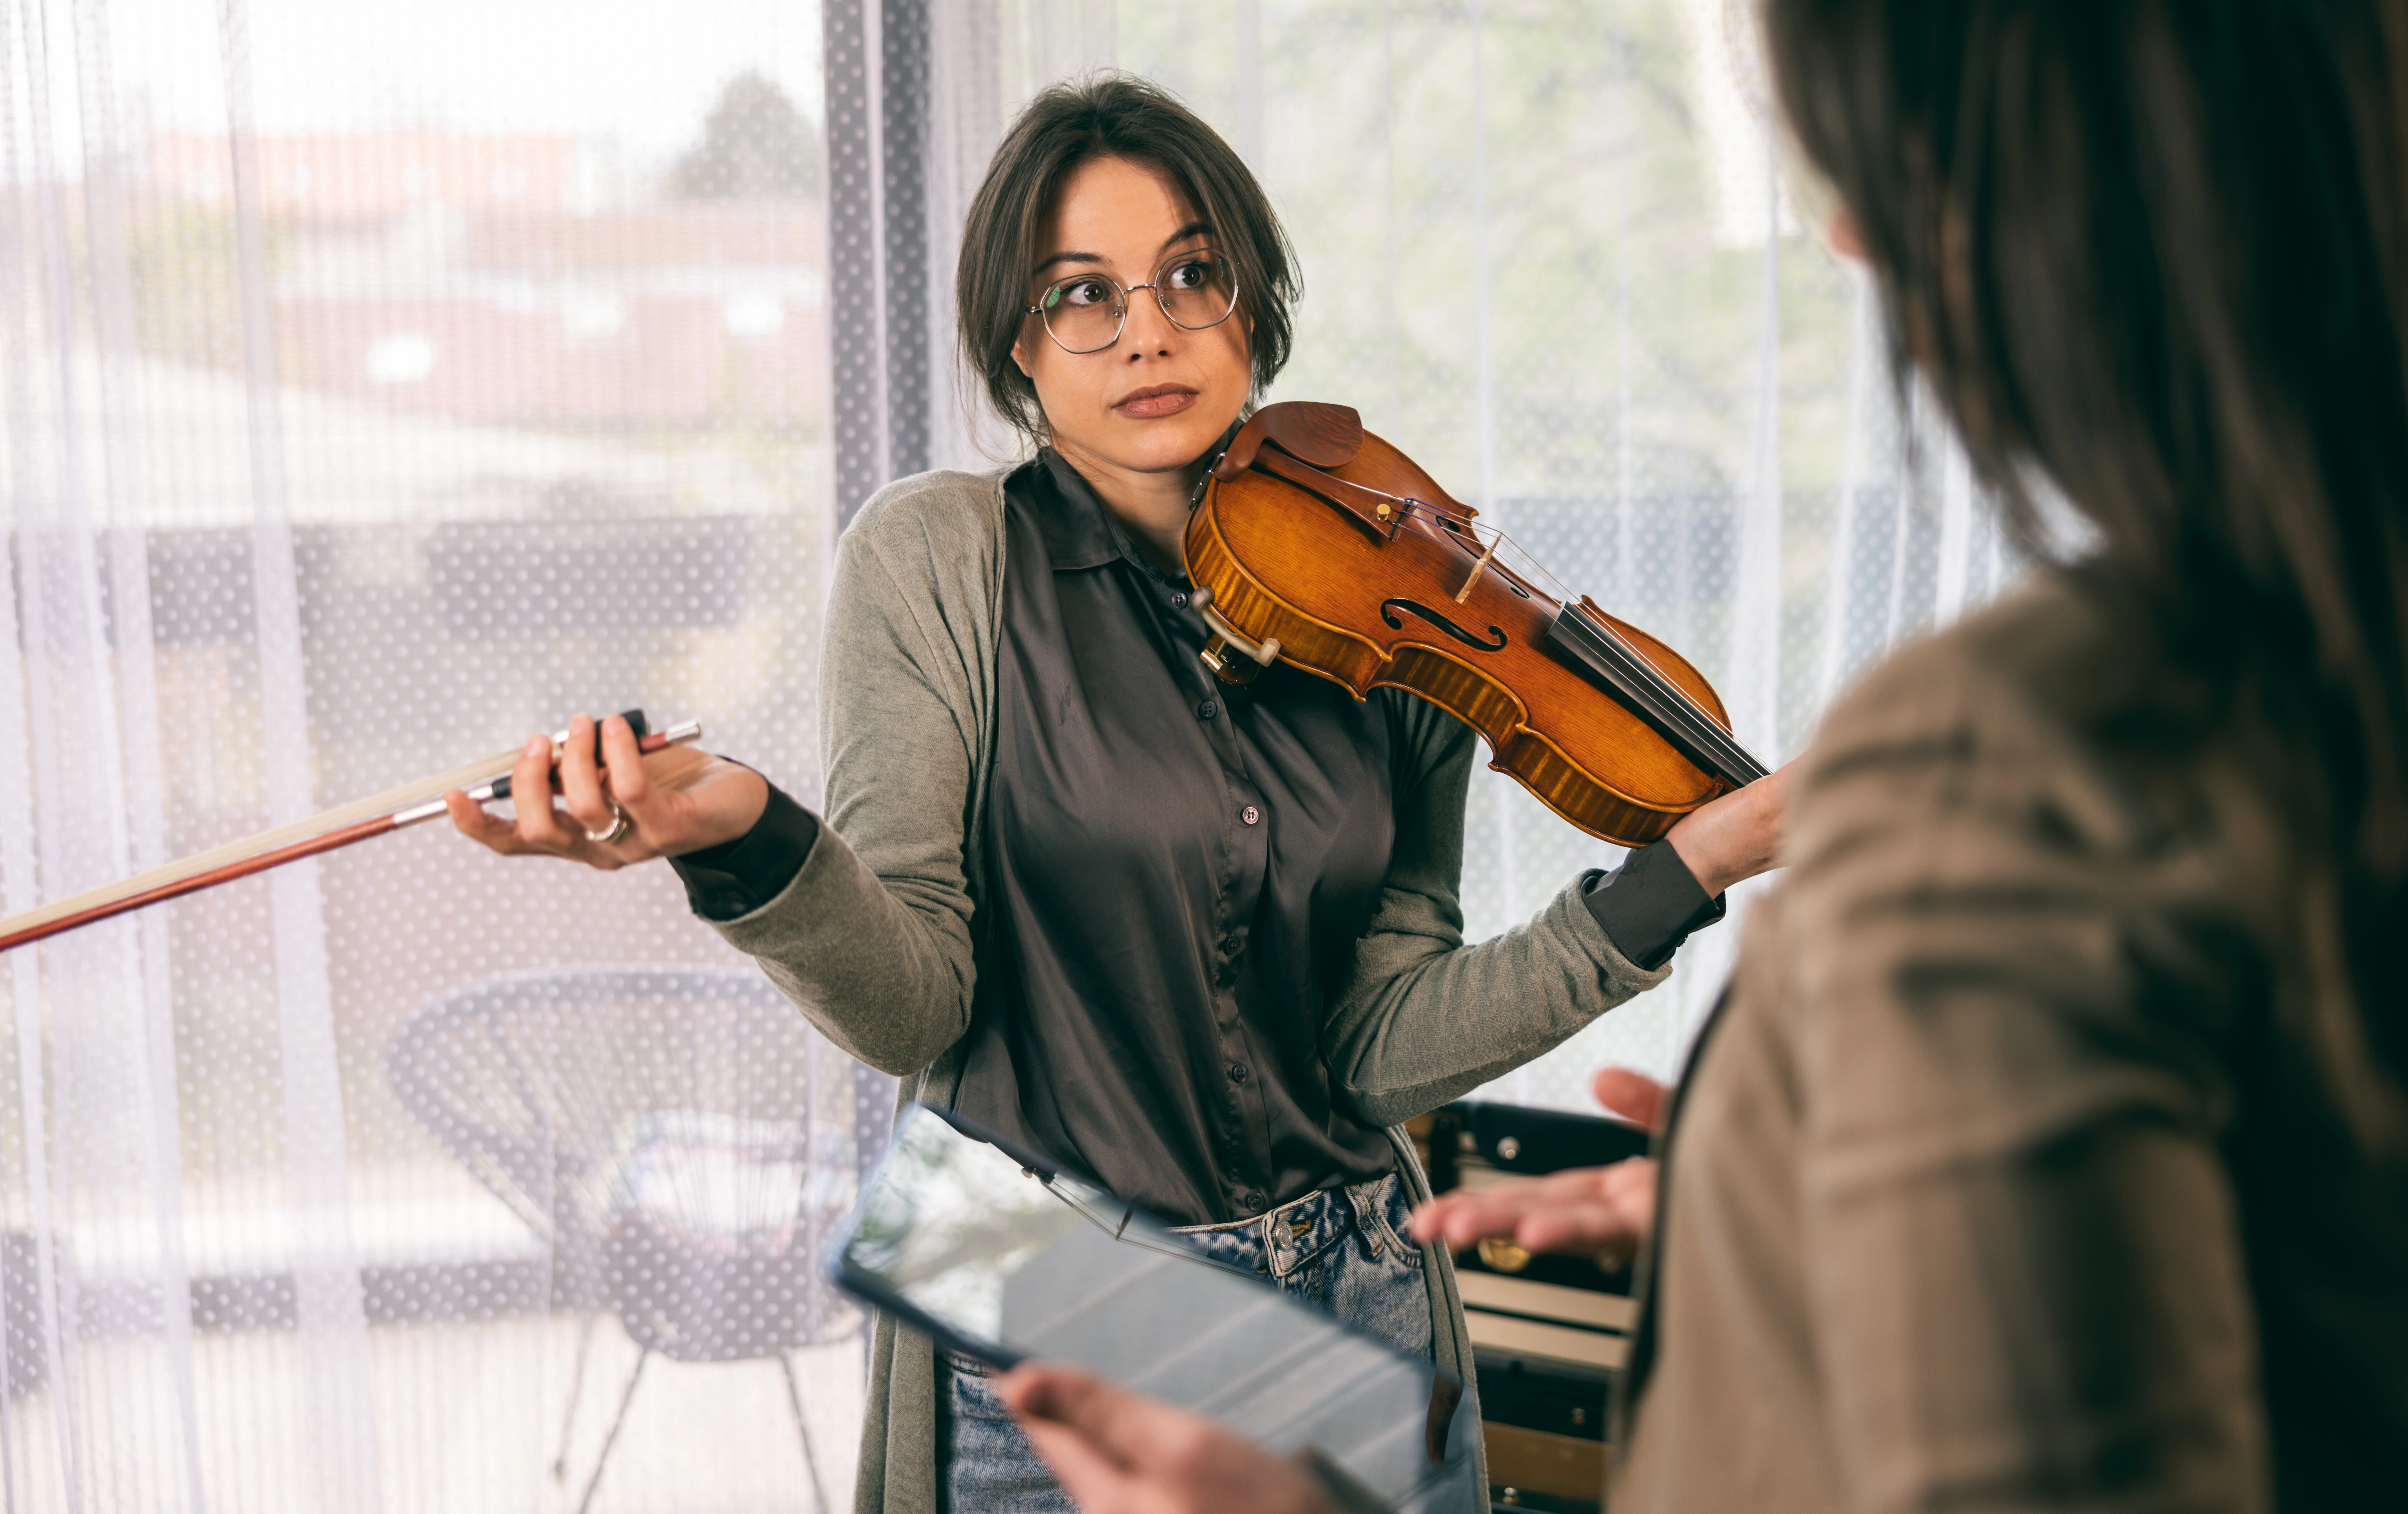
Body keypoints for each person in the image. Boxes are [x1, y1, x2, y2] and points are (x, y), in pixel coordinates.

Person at [985, 0, 2408, 1508]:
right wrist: (1807, 1218)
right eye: (1081, 294)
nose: (1849, 232)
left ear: (2147, 184)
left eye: (1912, 156)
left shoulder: (2025, 763)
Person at [446, 74, 1791, 1512]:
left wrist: (1676, 875)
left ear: (1252, 307)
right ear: (1016, 345)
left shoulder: (1397, 601)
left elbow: (1374, 1050)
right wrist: (746, 839)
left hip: (1364, 1291)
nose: (1146, 328)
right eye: (1079, 293)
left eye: (1190, 275)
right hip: (1060, 1302)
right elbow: (913, 1008)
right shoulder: (938, 558)